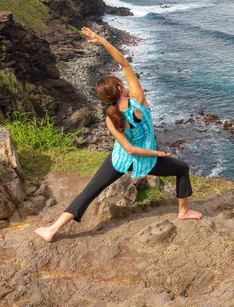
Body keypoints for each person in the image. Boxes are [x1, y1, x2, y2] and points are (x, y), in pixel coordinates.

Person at [34, 27, 202, 242]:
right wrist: (157, 153)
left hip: (120, 160)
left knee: (89, 191)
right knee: (182, 169)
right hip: (147, 161)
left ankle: (52, 229)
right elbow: (124, 63)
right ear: (121, 88)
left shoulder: (110, 116)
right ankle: (184, 211)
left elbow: (128, 149)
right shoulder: (139, 101)